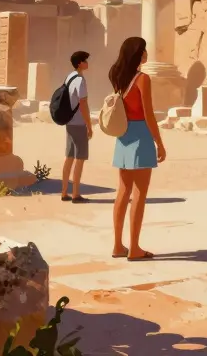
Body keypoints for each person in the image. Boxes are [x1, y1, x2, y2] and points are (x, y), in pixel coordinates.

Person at [107, 36, 167, 260]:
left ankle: (117, 245)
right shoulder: (143, 79)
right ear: (138, 53)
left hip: (123, 135)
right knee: (140, 195)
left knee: (122, 192)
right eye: (144, 50)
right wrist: (159, 142)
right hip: (141, 135)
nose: (146, 53)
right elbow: (148, 114)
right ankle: (135, 248)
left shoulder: (117, 76)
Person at [60, 50, 93, 203]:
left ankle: (64, 192)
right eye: (85, 60)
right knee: (79, 159)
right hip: (79, 123)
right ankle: (76, 194)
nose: (87, 63)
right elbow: (83, 103)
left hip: (69, 122)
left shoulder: (69, 77)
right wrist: (89, 124)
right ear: (80, 63)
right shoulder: (80, 80)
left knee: (69, 158)